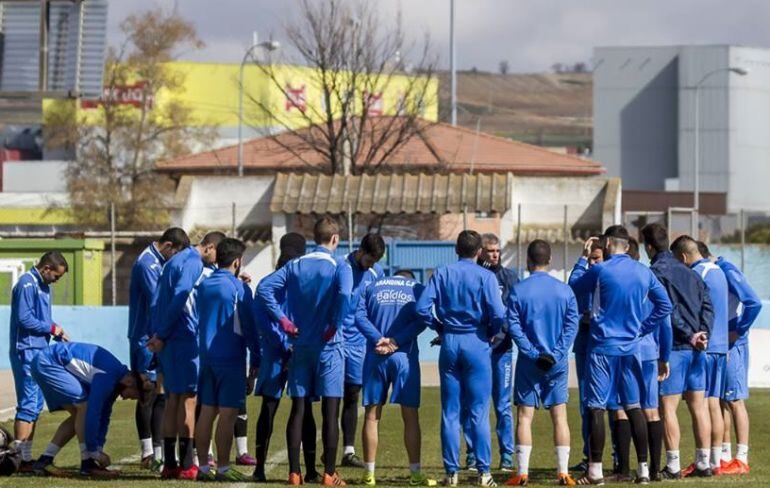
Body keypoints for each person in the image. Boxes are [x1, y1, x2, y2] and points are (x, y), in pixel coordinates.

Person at [570, 225, 672, 485]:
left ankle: (594, 471)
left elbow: (573, 287)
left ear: (606, 246)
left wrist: (583, 258)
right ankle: (644, 470)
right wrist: (642, 328)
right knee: (634, 406)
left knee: (596, 407)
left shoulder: (600, 269)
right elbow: (665, 306)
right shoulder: (644, 272)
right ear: (627, 247)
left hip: (603, 347)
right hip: (631, 348)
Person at [257, 217, 353, 486]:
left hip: (300, 345)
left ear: (314, 238)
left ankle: (295, 473)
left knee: (298, 408)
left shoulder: (295, 265)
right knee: (330, 411)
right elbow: (346, 296)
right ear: (335, 239)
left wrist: (284, 321)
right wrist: (335, 324)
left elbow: (264, 289)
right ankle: (329, 474)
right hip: (329, 346)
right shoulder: (340, 265)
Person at [415, 230, 506, 487]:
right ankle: (484, 472)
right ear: (479, 252)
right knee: (478, 410)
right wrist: (489, 333)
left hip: (451, 341)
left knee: (450, 412)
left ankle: (452, 473)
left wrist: (438, 326)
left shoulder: (442, 272)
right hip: (476, 341)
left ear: (456, 249)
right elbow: (499, 314)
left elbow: (421, 307)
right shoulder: (486, 276)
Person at [147, 231, 225, 480]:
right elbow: (181, 297)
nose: (216, 260)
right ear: (210, 247)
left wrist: (159, 333)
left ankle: (170, 463)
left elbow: (158, 300)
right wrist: (164, 333)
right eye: (217, 254)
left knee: (172, 400)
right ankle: (188, 463)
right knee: (188, 401)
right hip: (183, 338)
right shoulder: (192, 262)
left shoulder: (173, 261)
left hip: (170, 340)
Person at [639, 224, 713, 479]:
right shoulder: (692, 272)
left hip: (676, 348)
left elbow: (666, 311)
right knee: (699, 406)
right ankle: (704, 462)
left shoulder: (656, 272)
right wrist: (704, 333)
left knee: (667, 408)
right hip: (698, 350)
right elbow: (707, 304)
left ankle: (672, 465)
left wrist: (690, 334)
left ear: (648, 246)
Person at [503, 240, 578, 486]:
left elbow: (513, 325)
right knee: (560, 416)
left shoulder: (518, 290)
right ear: (550, 260)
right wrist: (556, 354)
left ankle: (522, 472)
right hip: (556, 363)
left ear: (528, 260)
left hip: (528, 362)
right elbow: (571, 326)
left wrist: (533, 353)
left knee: (524, 416)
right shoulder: (565, 290)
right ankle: (563, 472)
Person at [355, 269, 437, 487]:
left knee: (372, 416)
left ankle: (369, 474)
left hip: (375, 355)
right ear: (408, 277)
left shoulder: (372, 286)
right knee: (410, 417)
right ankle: (415, 474)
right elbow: (423, 319)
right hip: (404, 357)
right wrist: (396, 341)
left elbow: (359, 317)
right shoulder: (417, 288)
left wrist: (378, 339)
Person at [252, 233, 319, 483]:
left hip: (274, 354)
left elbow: (263, 324)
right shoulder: (304, 283)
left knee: (268, 409)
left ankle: (260, 468)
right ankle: (307, 470)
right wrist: (294, 347)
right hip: (299, 352)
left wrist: (281, 347)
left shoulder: (266, 283)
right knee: (305, 409)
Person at [30, 342, 153, 478]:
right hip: (48, 362)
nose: (127, 399)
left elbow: (104, 416)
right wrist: (94, 452)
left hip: (45, 362)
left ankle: (44, 460)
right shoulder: (108, 376)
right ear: (130, 382)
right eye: (133, 396)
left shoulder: (116, 380)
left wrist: (98, 449)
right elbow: (93, 414)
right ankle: (88, 463)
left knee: (79, 413)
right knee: (85, 407)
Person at [194, 238, 259, 481]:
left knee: (207, 412)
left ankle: (202, 467)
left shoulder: (204, 285)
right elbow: (250, 327)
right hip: (231, 359)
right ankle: (222, 467)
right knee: (228, 414)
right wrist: (257, 359)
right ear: (237, 261)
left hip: (206, 358)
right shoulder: (239, 289)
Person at [128, 228, 190, 470]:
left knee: (161, 392)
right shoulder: (147, 264)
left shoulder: (158, 262)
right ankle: (147, 452)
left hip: (156, 334)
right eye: (176, 254)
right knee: (147, 392)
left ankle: (158, 451)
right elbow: (158, 300)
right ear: (168, 246)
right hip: (145, 336)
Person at [671, 236, 729, 476]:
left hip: (704, 345)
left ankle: (705, 461)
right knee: (713, 404)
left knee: (705, 405)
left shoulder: (698, 274)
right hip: (721, 346)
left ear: (683, 257)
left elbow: (699, 308)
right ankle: (714, 461)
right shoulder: (720, 271)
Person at [462, 233, 518, 472]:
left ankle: (507, 455)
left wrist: (503, 332)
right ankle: (472, 454)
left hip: (502, 351)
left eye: (497, 250)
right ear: (480, 252)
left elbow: (515, 311)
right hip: (477, 350)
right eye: (490, 251)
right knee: (475, 403)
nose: (495, 255)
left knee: (503, 406)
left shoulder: (509, 277)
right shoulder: (473, 275)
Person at [9, 251, 69, 472]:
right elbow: (24, 319)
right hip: (26, 350)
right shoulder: (27, 284)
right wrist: (51, 328)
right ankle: (17, 458)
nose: (56, 280)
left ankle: (25, 457)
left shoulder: (44, 286)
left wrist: (55, 330)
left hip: (39, 350)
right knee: (27, 403)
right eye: (56, 276)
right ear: (46, 269)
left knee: (34, 405)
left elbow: (42, 319)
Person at [707, 245, 761, 475]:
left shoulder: (726, 269)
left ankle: (742, 458)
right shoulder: (713, 270)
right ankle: (725, 456)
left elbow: (754, 302)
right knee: (721, 400)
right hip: (719, 341)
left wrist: (738, 331)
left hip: (733, 342)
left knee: (735, 400)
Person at [628, 237, 673, 481]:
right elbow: (665, 322)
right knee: (652, 410)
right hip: (649, 352)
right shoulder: (649, 278)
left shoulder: (620, 279)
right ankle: (655, 469)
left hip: (627, 350)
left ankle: (638, 467)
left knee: (628, 409)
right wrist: (664, 356)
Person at [340, 233, 386, 468]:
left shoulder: (377, 273)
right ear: (361, 250)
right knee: (331, 396)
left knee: (353, 393)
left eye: (375, 261)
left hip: (359, 344)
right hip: (336, 340)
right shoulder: (341, 266)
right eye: (369, 260)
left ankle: (348, 452)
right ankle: (326, 453)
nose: (371, 265)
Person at [567, 235, 604, 473]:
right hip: (584, 342)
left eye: (596, 258)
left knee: (612, 404)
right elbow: (572, 285)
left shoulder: (610, 277)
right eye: (590, 259)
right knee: (585, 403)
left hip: (605, 343)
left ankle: (616, 456)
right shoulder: (586, 275)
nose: (592, 263)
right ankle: (589, 454)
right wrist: (582, 257)